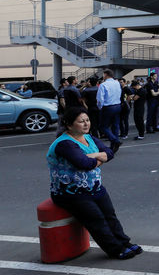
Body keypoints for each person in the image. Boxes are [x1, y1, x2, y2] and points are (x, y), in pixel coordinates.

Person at [47, 107, 142, 260]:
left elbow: (110, 153)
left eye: (87, 120)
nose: (86, 124)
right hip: (71, 193)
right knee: (96, 220)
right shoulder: (64, 143)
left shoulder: (89, 137)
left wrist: (95, 155)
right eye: (81, 121)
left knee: (110, 215)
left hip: (93, 187)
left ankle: (125, 242)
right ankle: (115, 249)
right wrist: (99, 158)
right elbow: (83, 163)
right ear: (69, 125)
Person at [96, 69, 122, 153]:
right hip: (117, 105)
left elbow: (100, 99)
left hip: (108, 107)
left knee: (103, 126)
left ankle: (115, 141)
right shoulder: (117, 83)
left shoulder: (103, 85)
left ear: (106, 75)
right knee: (115, 125)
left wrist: (100, 108)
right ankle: (114, 144)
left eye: (103, 75)